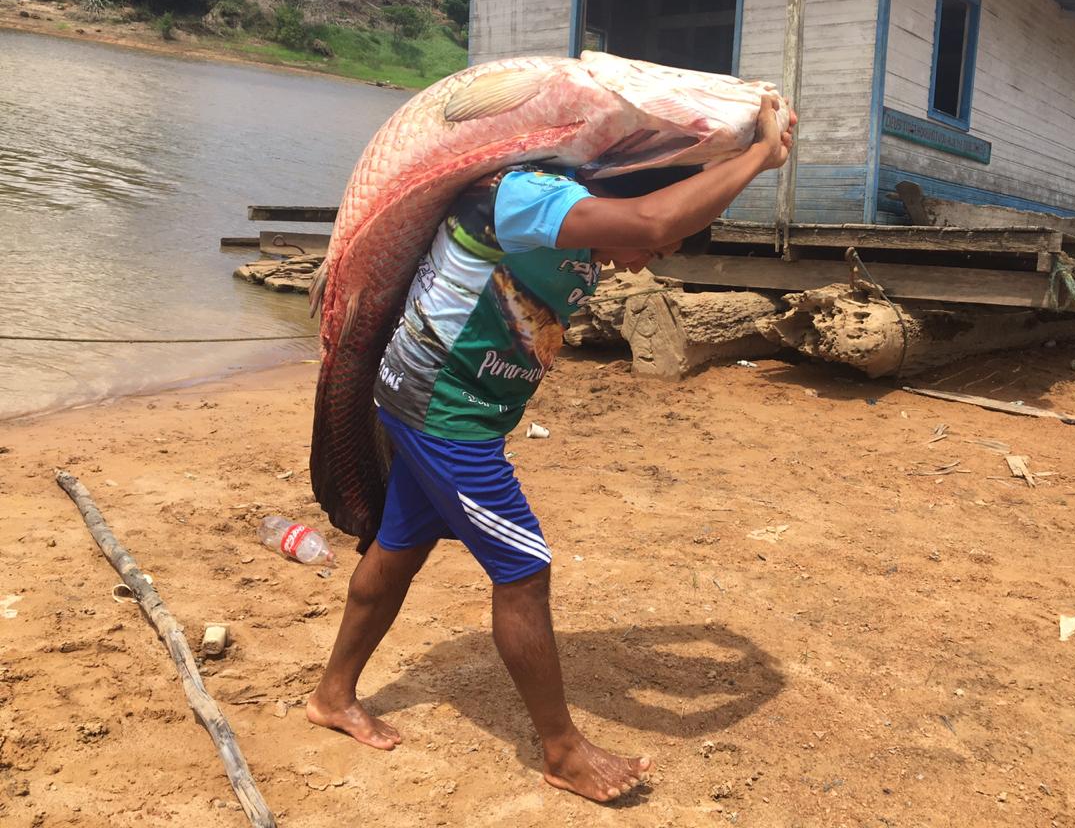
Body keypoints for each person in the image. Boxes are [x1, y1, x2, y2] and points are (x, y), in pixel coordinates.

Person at [307, 96, 797, 803]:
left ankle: (333, 695)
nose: (641, 263)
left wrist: (730, 151)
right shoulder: (528, 196)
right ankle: (563, 751)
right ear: (620, 200)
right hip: (445, 411)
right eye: (649, 253)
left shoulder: (581, 226)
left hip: (442, 404)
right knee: (524, 567)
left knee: (400, 546)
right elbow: (654, 217)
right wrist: (760, 156)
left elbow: (660, 217)